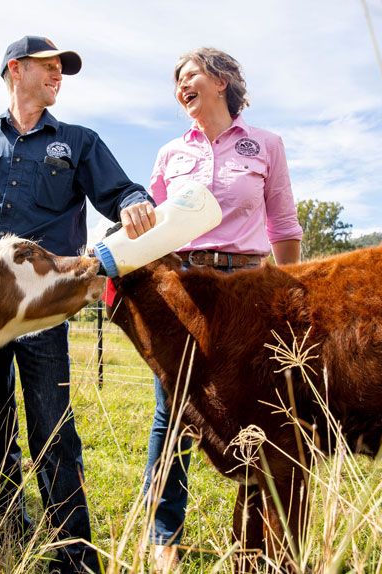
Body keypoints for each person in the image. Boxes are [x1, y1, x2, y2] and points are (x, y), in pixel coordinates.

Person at [0, 36, 156, 573]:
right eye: (49, 66)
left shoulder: (77, 141)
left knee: (52, 428)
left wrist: (136, 201)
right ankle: (7, 533)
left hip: (42, 306)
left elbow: (119, 192)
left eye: (61, 70)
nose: (58, 76)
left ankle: (73, 556)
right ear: (15, 69)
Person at [143, 47, 303, 572]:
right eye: (176, 81)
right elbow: (151, 230)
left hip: (250, 286)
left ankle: (255, 538)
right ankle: (164, 533)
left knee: (264, 411)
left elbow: (283, 224)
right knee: (174, 411)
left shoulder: (267, 144)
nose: (180, 86)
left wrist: (290, 293)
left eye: (189, 75)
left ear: (221, 81)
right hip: (187, 285)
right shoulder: (170, 154)